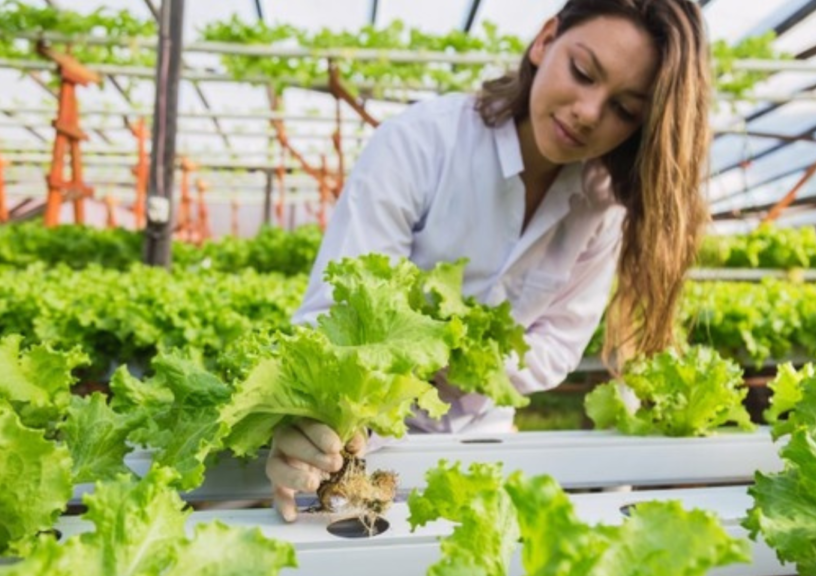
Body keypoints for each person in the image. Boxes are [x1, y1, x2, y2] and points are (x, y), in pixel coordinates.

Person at [267, 0, 712, 522]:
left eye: (624, 110)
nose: (589, 113)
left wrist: (472, 365)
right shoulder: (420, 144)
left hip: (483, 439)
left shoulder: (601, 207)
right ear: (545, 41)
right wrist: (314, 423)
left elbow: (559, 345)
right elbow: (336, 314)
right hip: (364, 442)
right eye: (583, 72)